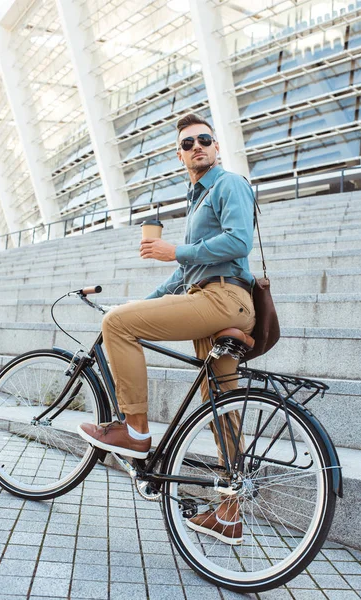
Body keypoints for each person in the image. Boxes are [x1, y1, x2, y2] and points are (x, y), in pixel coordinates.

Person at [78, 112, 255, 544]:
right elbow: (184, 273)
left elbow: (239, 241)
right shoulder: (197, 199)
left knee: (117, 326)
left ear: (216, 147)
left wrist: (175, 249)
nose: (197, 146)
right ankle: (231, 511)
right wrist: (142, 303)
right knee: (219, 405)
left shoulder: (227, 183)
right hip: (210, 300)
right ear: (180, 155)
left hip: (222, 299)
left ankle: (135, 430)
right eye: (188, 143)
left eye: (204, 139)